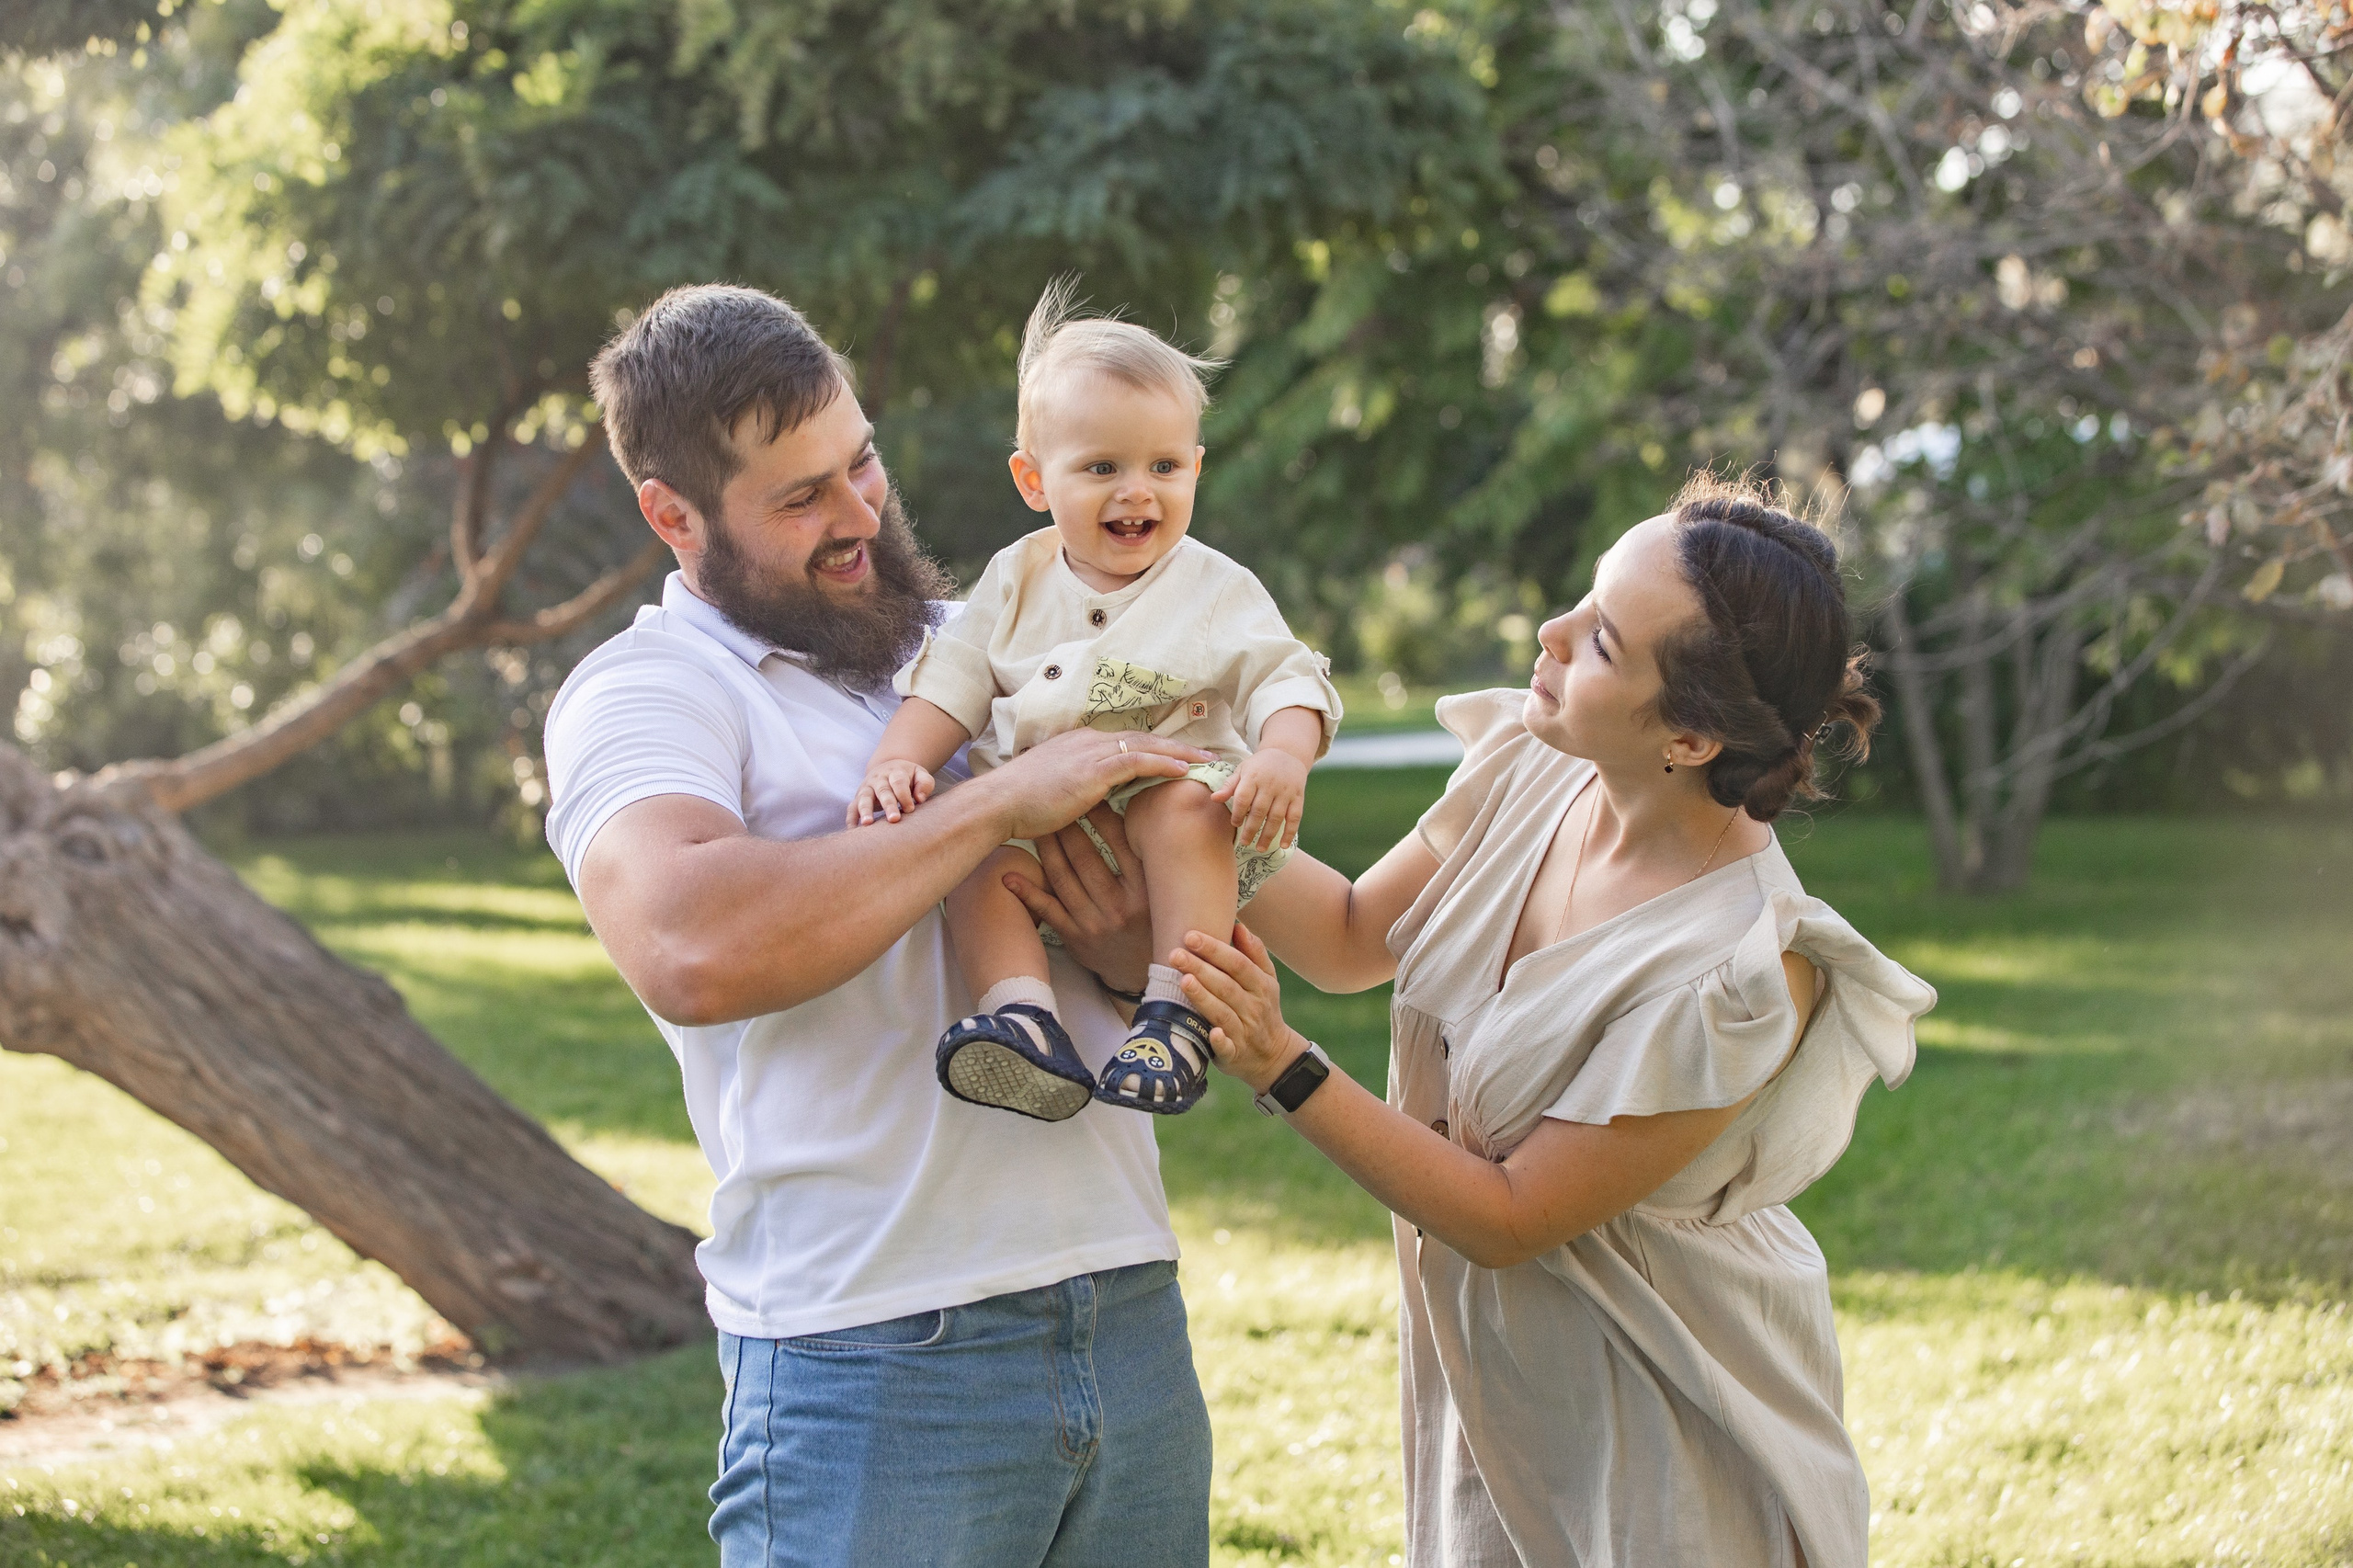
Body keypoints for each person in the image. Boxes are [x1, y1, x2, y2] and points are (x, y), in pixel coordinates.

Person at [541, 283, 1217, 1567]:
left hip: (1125, 1307)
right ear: (672, 517)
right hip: (877, 1353)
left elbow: (1158, 934)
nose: (859, 518)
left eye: (861, 464)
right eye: (799, 498)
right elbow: (686, 943)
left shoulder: (1001, 637)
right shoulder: (645, 691)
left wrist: (1131, 943)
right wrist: (997, 803)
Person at [1169, 477, 1938, 1566]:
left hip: (1662, 1409)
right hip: (1492, 1378)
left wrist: (1280, 1063)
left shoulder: (1737, 974)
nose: (1551, 631)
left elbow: (1512, 1214)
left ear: (1686, 733)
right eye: (1583, 598)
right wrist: (1180, 787)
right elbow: (1347, 935)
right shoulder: (1536, 766)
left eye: (1602, 640)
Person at [852, 280, 1340, 1120]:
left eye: (1164, 466)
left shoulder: (1214, 588)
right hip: (1042, 831)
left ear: (1195, 468)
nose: (1136, 492)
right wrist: (899, 760)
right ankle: (1023, 1018)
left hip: (1176, 832)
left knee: (1181, 809)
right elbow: (956, 681)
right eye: (1102, 468)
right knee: (972, 848)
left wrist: (1282, 755)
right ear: (1034, 480)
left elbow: (1284, 677)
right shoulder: (1015, 579)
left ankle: (1171, 1016)